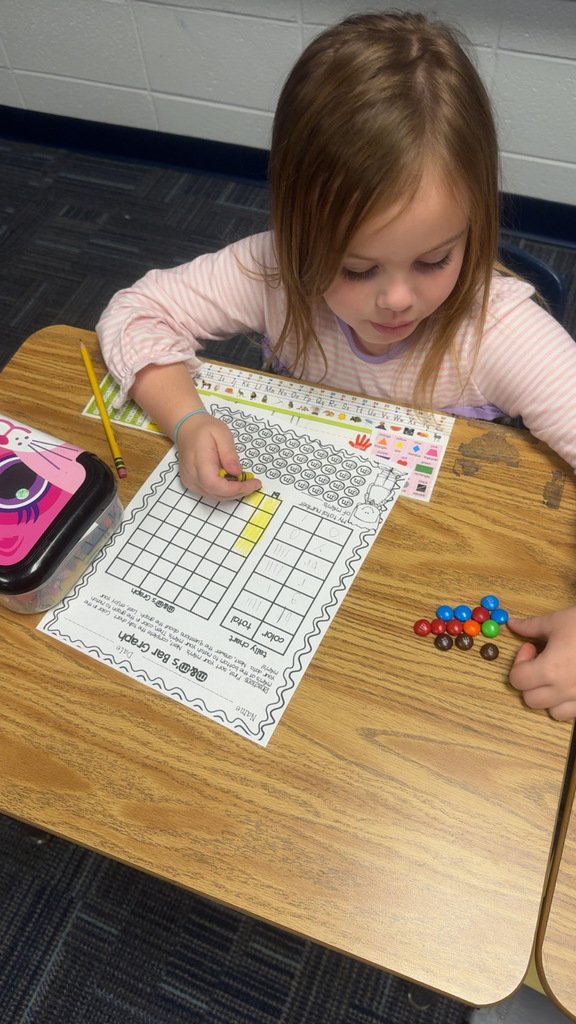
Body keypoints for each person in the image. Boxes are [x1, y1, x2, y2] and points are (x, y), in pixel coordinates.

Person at [96, 11, 576, 717]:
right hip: (309, 554)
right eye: (355, 268)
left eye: (435, 259)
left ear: (475, 223)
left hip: (428, 562)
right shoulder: (272, 272)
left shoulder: (498, 333)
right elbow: (135, 313)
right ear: (296, 232)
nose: (397, 299)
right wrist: (187, 419)